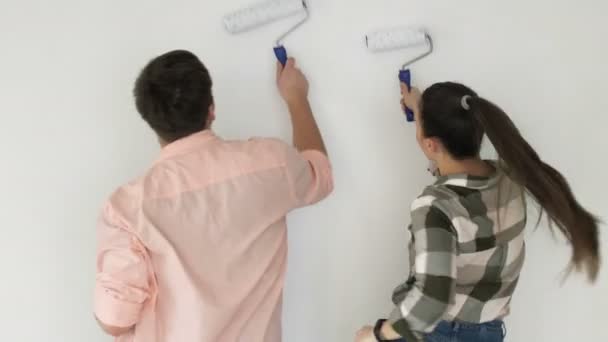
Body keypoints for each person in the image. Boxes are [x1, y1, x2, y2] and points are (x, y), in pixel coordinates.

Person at [93, 50, 333, 342]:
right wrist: (296, 97)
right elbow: (319, 173)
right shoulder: (271, 164)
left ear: (150, 120)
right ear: (211, 108)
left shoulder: (128, 208)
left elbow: (115, 319)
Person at [356, 82, 600, 342]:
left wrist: (377, 334)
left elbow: (431, 300)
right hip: (489, 331)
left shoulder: (435, 207)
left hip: (444, 333)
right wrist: (420, 109)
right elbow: (455, 174)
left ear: (430, 145)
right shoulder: (509, 178)